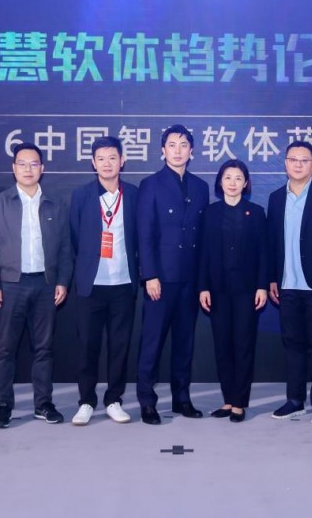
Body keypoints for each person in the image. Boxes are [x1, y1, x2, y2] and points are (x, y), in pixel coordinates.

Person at [0, 144, 73, 428]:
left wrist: (62, 281)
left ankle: (43, 404)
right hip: (11, 285)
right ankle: (3, 404)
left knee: (44, 348)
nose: (28, 169)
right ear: (14, 168)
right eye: (22, 164)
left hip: (45, 284)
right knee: (5, 349)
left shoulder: (55, 203)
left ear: (42, 168)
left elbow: (66, 248)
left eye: (34, 164)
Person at [136, 124, 210, 424]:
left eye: (183, 145)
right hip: (161, 279)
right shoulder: (151, 185)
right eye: (172, 145)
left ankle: (182, 398)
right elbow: (144, 234)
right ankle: (147, 402)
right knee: (152, 342)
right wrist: (150, 275)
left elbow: (203, 239)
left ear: (192, 151)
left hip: (189, 279)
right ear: (162, 150)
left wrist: (202, 282)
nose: (177, 151)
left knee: (184, 342)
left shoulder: (201, 187)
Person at [267, 141, 312, 424]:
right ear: (285, 163)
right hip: (286, 284)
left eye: (304, 160)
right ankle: (295, 400)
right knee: (293, 344)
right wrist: (272, 279)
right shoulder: (276, 198)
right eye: (293, 159)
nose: (298, 164)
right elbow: (272, 242)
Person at [68, 137, 140, 426]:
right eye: (101, 158)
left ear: (122, 161)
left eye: (113, 157)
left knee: (120, 346)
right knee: (88, 345)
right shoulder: (81, 195)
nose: (107, 163)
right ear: (93, 163)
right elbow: (75, 238)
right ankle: (86, 401)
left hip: (124, 284)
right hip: (91, 284)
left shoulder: (134, 195)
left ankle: (114, 400)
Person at [198, 160, 268, 423]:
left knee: (243, 344)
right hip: (217, 290)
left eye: (238, 178)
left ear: (245, 183)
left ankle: (239, 402)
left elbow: (264, 253)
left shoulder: (256, 212)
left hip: (247, 291)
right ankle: (228, 399)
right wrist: (203, 287)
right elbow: (203, 253)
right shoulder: (210, 213)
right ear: (220, 181)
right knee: (222, 345)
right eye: (228, 177)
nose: (232, 183)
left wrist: (262, 285)